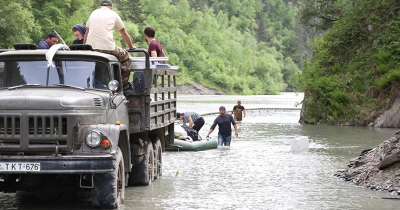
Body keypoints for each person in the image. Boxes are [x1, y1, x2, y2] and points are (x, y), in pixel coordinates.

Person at [83, 0, 136, 90]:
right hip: (107, 47)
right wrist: (131, 46)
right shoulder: (113, 14)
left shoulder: (94, 13)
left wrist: (84, 47)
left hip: (91, 47)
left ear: (100, 7)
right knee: (127, 58)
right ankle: (123, 85)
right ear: (111, 7)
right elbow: (123, 32)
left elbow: (87, 32)